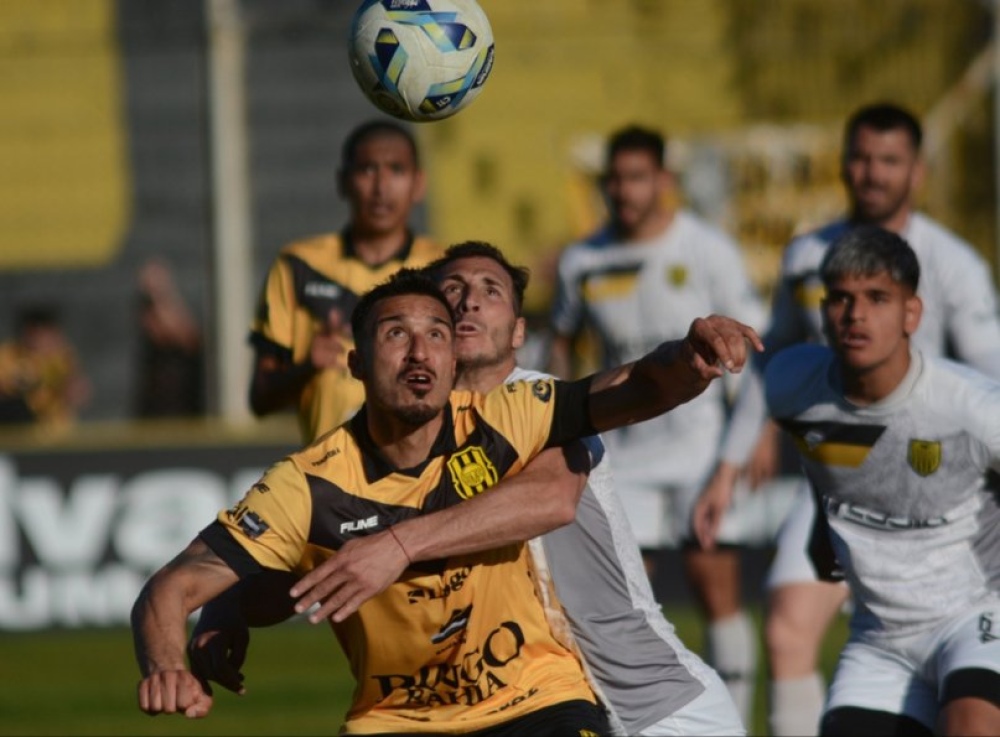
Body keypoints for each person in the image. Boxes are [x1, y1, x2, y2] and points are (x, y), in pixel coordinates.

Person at [132, 267, 761, 734]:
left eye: (436, 333)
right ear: (355, 363)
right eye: (396, 334)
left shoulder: (509, 415)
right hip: (394, 718)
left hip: (535, 699)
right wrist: (169, 660)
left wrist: (687, 359)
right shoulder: (308, 481)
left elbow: (633, 388)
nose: (418, 350)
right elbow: (171, 587)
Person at [694, 101, 1000, 736]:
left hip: (945, 482)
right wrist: (728, 461)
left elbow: (988, 379)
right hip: (846, 482)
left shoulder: (956, 269)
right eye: (860, 158)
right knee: (784, 627)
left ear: (916, 172)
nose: (872, 173)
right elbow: (768, 365)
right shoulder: (807, 258)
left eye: (888, 161)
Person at [547, 123, 768, 721]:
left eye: (637, 177)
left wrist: (755, 438)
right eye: (614, 179)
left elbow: (752, 344)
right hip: (624, 458)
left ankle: (734, 720)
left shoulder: (705, 248)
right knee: (615, 602)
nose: (624, 190)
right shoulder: (583, 259)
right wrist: (558, 414)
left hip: (700, 451)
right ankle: (628, 720)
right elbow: (561, 342)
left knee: (715, 583)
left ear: (663, 182)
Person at [766, 226, 1000, 736]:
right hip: (879, 639)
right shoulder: (791, 385)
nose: (856, 315)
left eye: (877, 298)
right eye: (842, 299)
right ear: (823, 311)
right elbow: (819, 458)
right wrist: (818, 530)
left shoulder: (971, 408)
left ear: (911, 313)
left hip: (977, 620)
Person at [249, 119, 441, 443]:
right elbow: (260, 399)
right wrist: (307, 367)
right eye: (367, 170)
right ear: (343, 181)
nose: (380, 187)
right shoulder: (299, 266)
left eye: (396, 170)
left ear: (418, 184)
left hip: (424, 482)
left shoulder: (444, 269)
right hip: (331, 482)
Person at [134, 258, 205, 418]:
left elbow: (186, 335)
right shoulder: (151, 331)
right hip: (159, 416)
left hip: (183, 414)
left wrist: (162, 296)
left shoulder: (184, 329)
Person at [0, 306, 90, 431]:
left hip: (54, 433)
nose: (40, 340)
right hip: (17, 431)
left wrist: (64, 386)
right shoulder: (10, 353)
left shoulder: (62, 358)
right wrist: (18, 383)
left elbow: (80, 395)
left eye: (45, 334)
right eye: (34, 333)